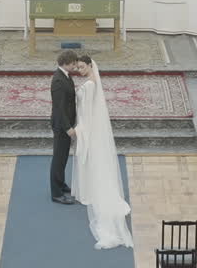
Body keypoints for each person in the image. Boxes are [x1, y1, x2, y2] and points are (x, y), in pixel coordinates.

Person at [70, 55, 134, 249]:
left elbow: (87, 111)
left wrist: (80, 130)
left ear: (90, 66)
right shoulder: (93, 81)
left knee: (92, 160)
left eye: (82, 67)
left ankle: (91, 190)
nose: (80, 71)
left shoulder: (89, 85)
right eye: (78, 68)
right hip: (95, 127)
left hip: (89, 127)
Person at [49, 49, 80, 204]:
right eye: (73, 63)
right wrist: (68, 128)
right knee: (58, 159)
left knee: (63, 157)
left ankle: (61, 184)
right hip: (62, 126)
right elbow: (58, 108)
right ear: (66, 63)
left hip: (66, 123)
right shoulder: (58, 81)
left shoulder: (66, 76)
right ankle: (56, 193)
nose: (75, 66)